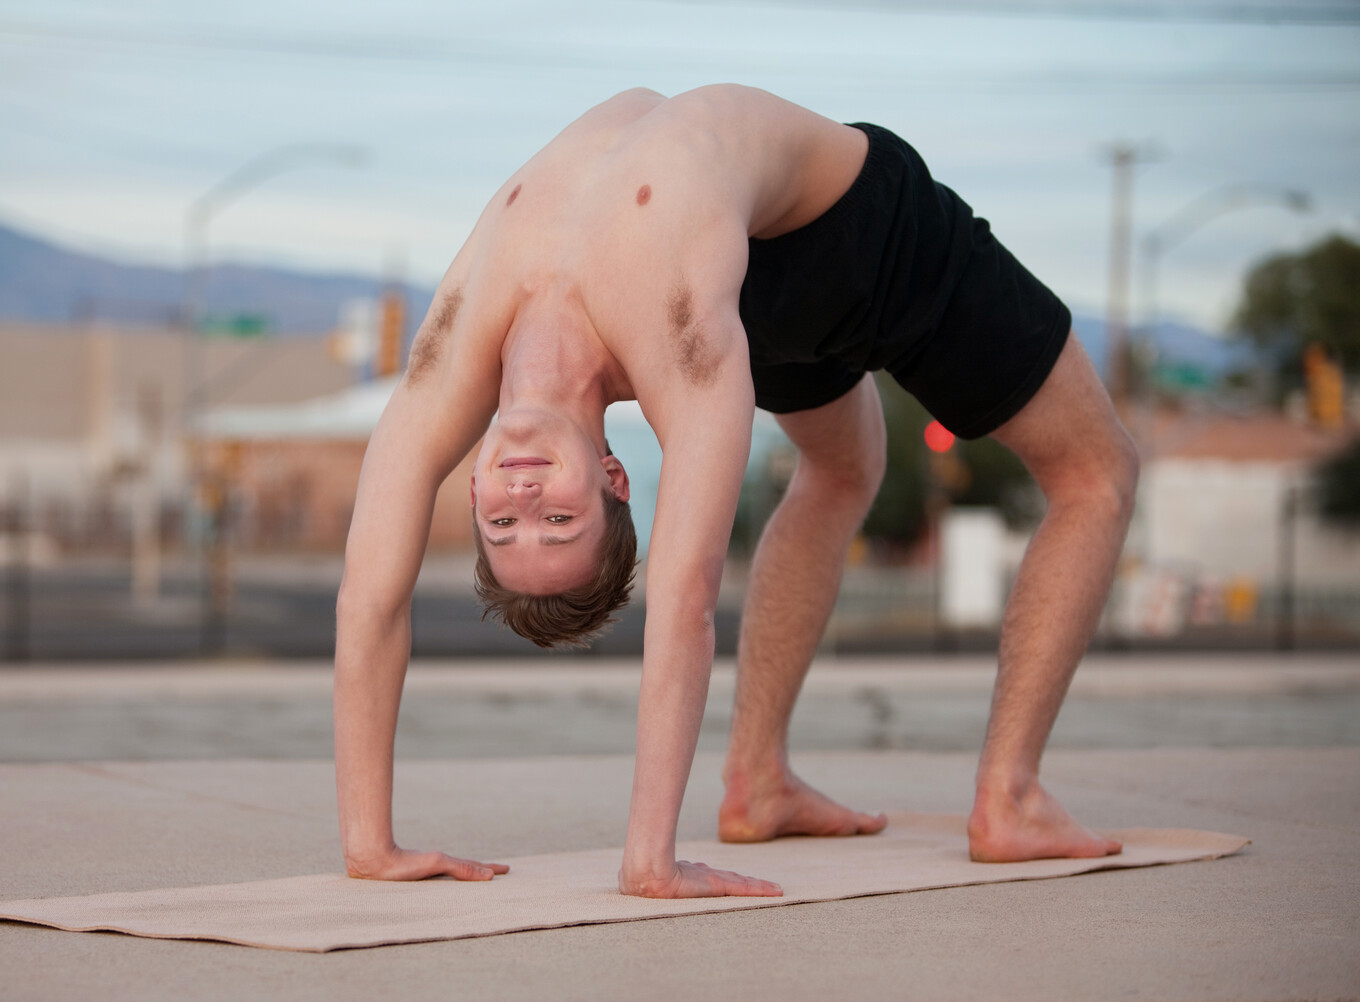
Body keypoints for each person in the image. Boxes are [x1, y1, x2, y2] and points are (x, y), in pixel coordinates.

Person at [333, 85, 1137, 900]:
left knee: (844, 468)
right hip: (857, 237)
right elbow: (684, 596)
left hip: (752, 251)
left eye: (506, 524)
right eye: (559, 520)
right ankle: (1011, 801)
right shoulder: (679, 339)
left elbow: (367, 598)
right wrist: (650, 861)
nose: (525, 496)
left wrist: (370, 845)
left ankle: (758, 780)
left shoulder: (452, 349)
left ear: (471, 489)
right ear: (614, 480)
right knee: (1098, 473)